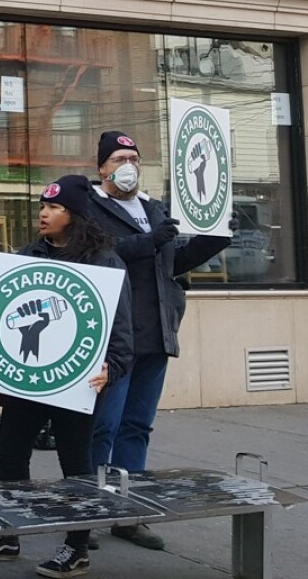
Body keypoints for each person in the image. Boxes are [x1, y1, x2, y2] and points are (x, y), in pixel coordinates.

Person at [0, 175, 134, 579]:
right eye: (43, 205)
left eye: (54, 207)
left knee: (75, 464)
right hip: (28, 380)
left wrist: (112, 368)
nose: (43, 213)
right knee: (11, 454)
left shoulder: (104, 261)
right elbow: (4, 308)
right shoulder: (28, 255)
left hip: (77, 382)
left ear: (75, 215)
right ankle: (8, 535)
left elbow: (123, 331)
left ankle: (77, 548)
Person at [86, 130, 230, 549]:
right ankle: (86, 513)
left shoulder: (155, 209)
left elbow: (171, 262)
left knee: (136, 426)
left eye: (134, 157)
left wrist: (214, 239)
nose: (128, 165)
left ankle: (129, 513)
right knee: (102, 427)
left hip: (156, 333)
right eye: (119, 159)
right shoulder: (90, 207)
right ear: (102, 167)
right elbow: (97, 255)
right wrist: (149, 240)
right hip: (114, 338)